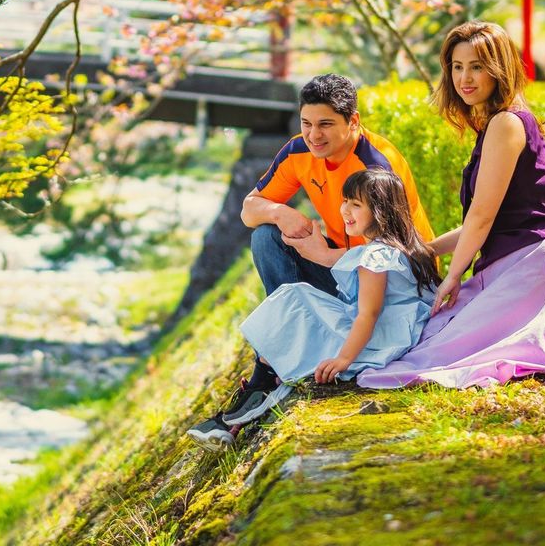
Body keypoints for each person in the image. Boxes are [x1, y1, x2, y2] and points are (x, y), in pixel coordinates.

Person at [185, 75, 433, 446]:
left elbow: (395, 253)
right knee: (268, 235)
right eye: (307, 123)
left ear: (354, 121)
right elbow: (250, 210)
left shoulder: (375, 167)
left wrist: (322, 254)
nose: (314, 135)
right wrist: (281, 213)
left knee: (282, 246)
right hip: (343, 269)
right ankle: (286, 360)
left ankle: (274, 373)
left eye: (326, 125)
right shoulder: (299, 152)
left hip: (389, 286)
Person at [360, 21, 545, 390]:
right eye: (457, 66)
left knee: (437, 354)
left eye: (477, 67)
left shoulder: (507, 123)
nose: (465, 78)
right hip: (509, 263)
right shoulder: (494, 126)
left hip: (532, 263)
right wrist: (424, 251)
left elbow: (481, 217)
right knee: (427, 333)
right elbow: (484, 222)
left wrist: (452, 276)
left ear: (499, 70)